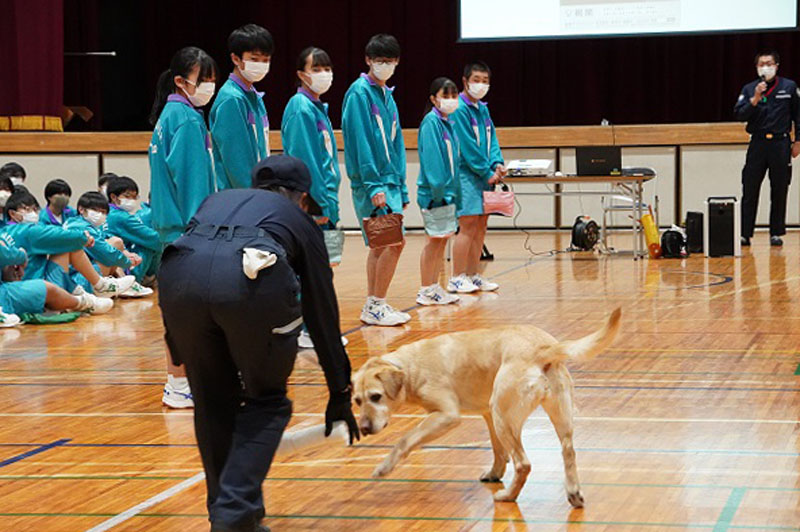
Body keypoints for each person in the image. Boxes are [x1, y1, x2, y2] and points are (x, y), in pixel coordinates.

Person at [158, 155, 359, 532]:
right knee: (267, 401)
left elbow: (185, 261)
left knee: (213, 402)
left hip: (177, 280)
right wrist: (339, 391)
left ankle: (234, 517)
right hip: (250, 280)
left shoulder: (216, 199)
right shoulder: (299, 219)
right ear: (301, 197)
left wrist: (178, 345)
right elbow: (322, 310)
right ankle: (233, 513)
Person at [149, 46, 218, 409]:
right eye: (202, 79)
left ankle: (182, 380)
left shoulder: (170, 115)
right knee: (187, 313)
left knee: (180, 309)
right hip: (188, 231)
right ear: (180, 81)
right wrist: (204, 229)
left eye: (212, 79)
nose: (209, 86)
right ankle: (179, 383)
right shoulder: (187, 120)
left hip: (169, 229)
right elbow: (192, 183)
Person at [342, 33, 410, 326]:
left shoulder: (387, 94)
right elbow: (361, 142)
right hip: (374, 184)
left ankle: (374, 303)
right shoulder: (359, 93)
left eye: (390, 61)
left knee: (382, 245)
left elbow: (396, 144)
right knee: (393, 243)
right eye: (380, 60)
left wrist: (402, 184)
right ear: (368, 60)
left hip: (391, 181)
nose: (385, 65)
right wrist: (374, 185)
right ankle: (376, 304)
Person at [282, 46, 345, 349]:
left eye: (326, 67)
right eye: (316, 68)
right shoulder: (300, 108)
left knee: (325, 267)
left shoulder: (317, 108)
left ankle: (317, 327)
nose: (323, 74)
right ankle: (307, 328)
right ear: (301, 74)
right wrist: (316, 203)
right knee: (311, 270)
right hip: (314, 204)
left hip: (327, 201)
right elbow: (304, 162)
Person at [2, 191, 135, 298]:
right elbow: (104, 253)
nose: (32, 213)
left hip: (22, 284)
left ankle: (90, 291)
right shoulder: (28, 231)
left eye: (34, 209)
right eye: (26, 209)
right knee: (90, 248)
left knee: (108, 246)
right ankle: (96, 288)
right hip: (32, 287)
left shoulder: (5, 230)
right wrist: (128, 262)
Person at [734, 50, 800, 247]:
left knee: (779, 188)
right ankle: (745, 233)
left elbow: (798, 115)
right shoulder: (749, 88)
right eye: (761, 64)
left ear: (777, 65)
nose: (765, 67)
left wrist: (797, 142)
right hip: (758, 143)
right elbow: (740, 114)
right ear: (756, 68)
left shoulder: (789, 87)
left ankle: (776, 232)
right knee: (750, 187)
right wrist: (754, 98)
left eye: (769, 63)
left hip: (780, 143)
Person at [450, 61, 505, 293]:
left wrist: (497, 163)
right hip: (467, 175)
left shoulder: (483, 108)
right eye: (476, 80)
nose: (481, 85)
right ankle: (457, 276)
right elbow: (468, 147)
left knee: (481, 225)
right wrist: (486, 171)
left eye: (485, 81)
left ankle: (473, 274)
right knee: (468, 224)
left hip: (486, 175)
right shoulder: (459, 109)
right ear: (465, 81)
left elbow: (492, 139)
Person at [211, 24, 273, 191]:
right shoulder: (232, 100)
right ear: (236, 59)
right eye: (254, 59)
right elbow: (236, 163)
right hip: (240, 199)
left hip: (257, 193)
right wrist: (254, 197)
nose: (261, 64)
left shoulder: (254, 96)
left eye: (266, 60)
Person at [416, 77, 461, 306]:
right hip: (435, 195)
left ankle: (434, 287)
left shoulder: (448, 123)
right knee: (434, 241)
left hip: (448, 193)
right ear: (434, 98)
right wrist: (438, 193)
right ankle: (425, 288)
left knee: (442, 241)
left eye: (454, 95)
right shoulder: (431, 123)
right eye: (446, 95)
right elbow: (433, 163)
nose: (451, 100)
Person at [65, 192, 152, 298]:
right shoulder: (80, 227)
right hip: (78, 281)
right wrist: (128, 262)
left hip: (80, 276)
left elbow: (105, 240)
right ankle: (110, 288)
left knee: (116, 243)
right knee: (113, 247)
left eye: (103, 212)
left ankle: (123, 285)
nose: (100, 215)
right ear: (81, 209)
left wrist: (127, 253)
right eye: (96, 211)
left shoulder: (79, 223)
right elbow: (106, 253)